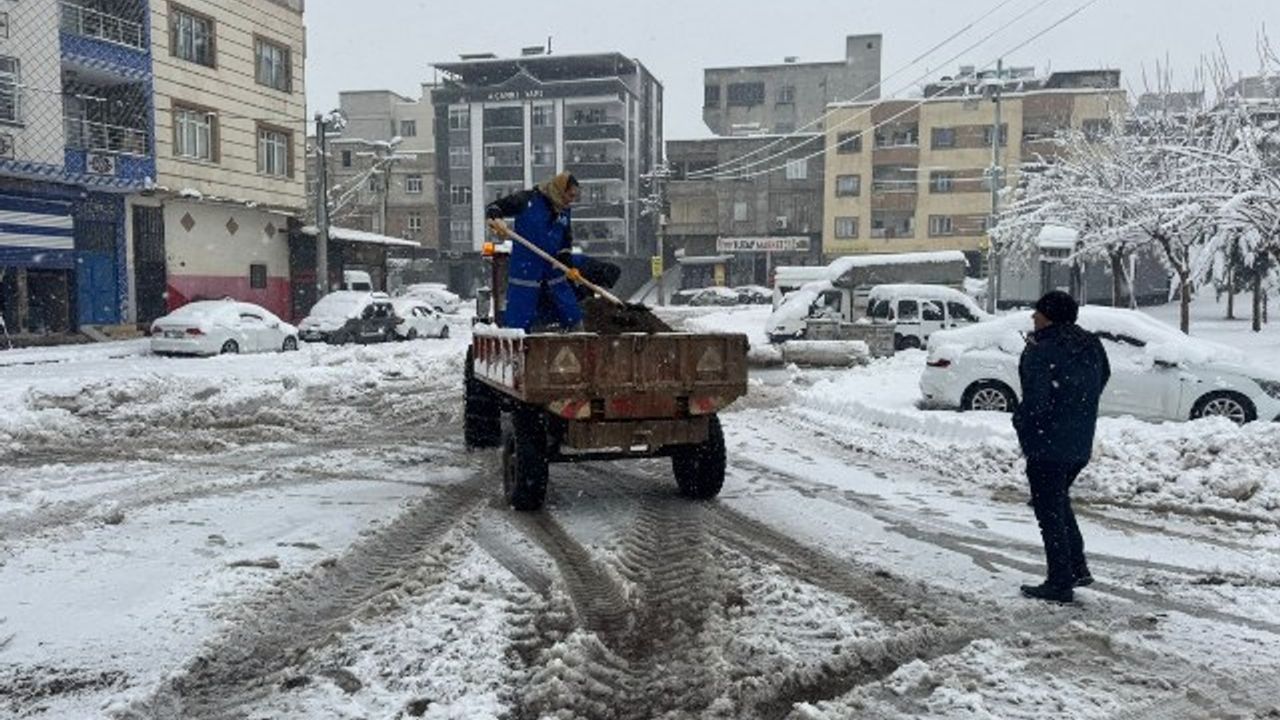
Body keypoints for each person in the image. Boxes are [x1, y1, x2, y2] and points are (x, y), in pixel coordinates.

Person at [1012, 290, 1111, 604]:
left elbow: (1036, 400)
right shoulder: (1091, 345)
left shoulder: (1040, 349)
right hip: (1079, 439)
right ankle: (1075, 568)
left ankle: (1059, 582)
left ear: (1049, 316)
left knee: (1049, 511)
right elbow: (1103, 377)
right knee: (1057, 502)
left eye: (1038, 312)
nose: (1033, 317)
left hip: (1047, 442)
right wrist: (1076, 408)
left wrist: (1022, 421)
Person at [485, 172, 584, 332]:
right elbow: (495, 207)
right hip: (526, 271)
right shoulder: (528, 200)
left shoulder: (564, 210)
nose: (572, 200)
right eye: (570, 195)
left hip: (554, 270)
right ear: (560, 190)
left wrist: (565, 257)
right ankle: (520, 343)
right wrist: (495, 218)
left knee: (571, 313)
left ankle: (576, 338)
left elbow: (566, 237)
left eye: (575, 196)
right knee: (518, 322)